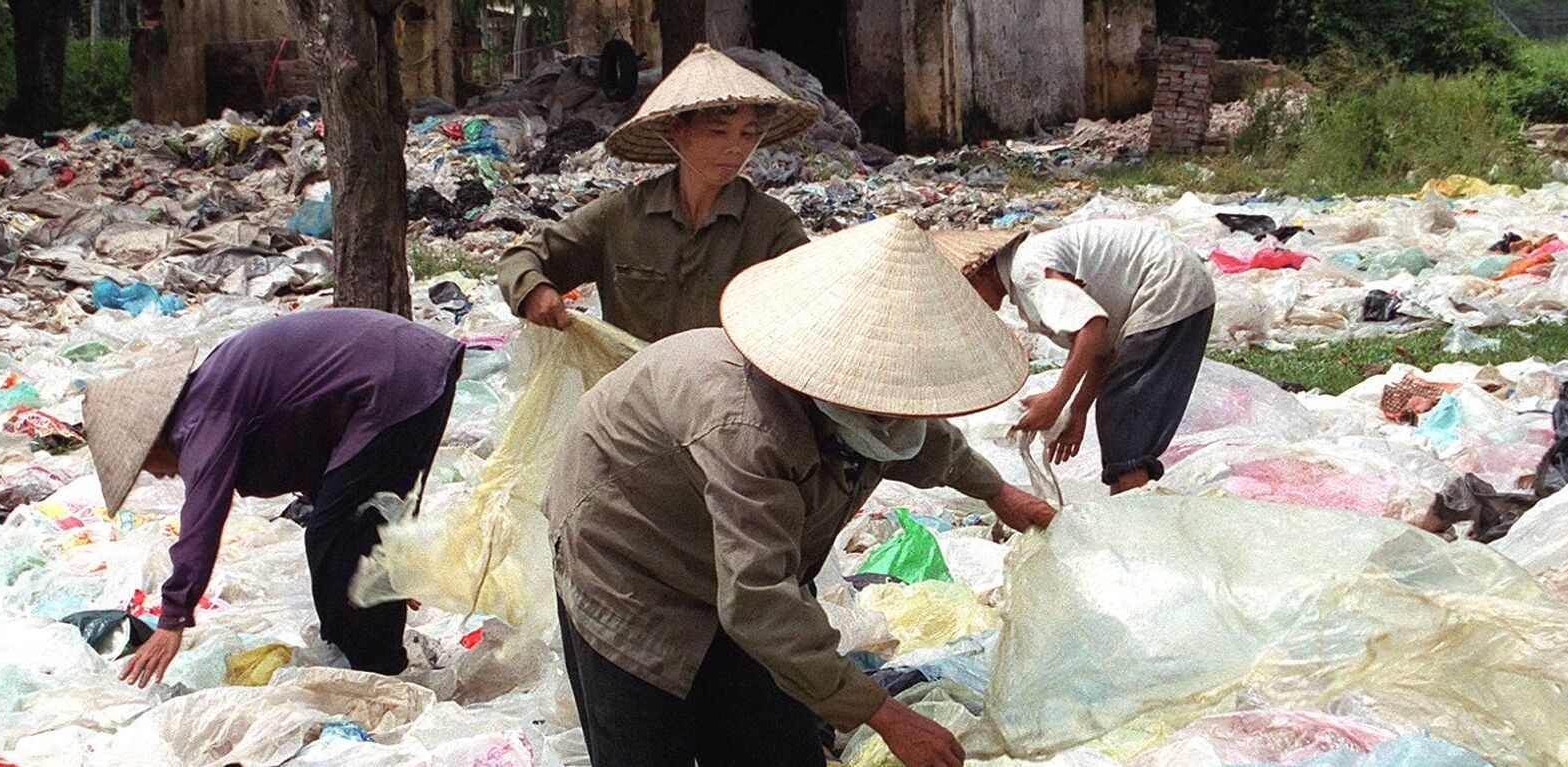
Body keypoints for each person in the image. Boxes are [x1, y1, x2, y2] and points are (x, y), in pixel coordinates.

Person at [545, 215, 1056, 767]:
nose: (901, 413)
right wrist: (885, 716)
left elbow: (918, 438)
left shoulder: (877, 403)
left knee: (772, 732)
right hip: (627, 557)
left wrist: (997, 491)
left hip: (736, 563)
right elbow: (758, 596)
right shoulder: (747, 425)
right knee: (650, 733)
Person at [81, 309, 465, 687]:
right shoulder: (215, 393)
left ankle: (379, 675)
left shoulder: (203, 417)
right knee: (346, 530)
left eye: (147, 464)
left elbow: (203, 515)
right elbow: (326, 460)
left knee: (335, 539)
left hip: (395, 379)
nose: (159, 474)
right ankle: (366, 658)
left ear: (152, 440)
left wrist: (173, 619)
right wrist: (393, 560)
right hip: (410, 366)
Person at [497, 43, 818, 343]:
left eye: (748, 134)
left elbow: (815, 298)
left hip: (724, 396)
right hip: (634, 395)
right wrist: (533, 290)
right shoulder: (620, 216)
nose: (735, 148)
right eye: (718, 133)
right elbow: (522, 258)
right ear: (678, 132)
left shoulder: (771, 226)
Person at [934, 220, 1216, 494]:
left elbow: (1092, 325)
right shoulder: (1027, 267)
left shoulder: (1027, 273)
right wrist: (1077, 410)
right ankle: (1127, 516)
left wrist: (1056, 400)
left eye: (966, 292)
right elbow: (1101, 348)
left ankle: (1135, 530)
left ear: (980, 273)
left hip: (1168, 284)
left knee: (1126, 422)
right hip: (1175, 281)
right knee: (1121, 426)